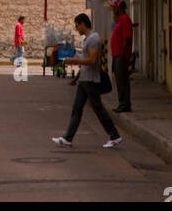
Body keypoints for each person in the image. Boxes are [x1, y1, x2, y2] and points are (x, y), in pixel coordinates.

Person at [51, 14, 122, 149]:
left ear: (83, 24)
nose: (77, 29)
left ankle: (114, 135)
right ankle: (68, 138)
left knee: (98, 108)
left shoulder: (94, 39)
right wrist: (76, 58)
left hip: (91, 80)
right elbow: (86, 57)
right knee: (77, 108)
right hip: (84, 80)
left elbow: (92, 60)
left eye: (77, 25)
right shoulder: (88, 39)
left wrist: (74, 60)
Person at [109, 0, 134, 113]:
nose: (113, 9)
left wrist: (122, 55)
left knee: (122, 80)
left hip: (121, 55)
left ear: (120, 8)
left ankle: (124, 104)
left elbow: (126, 38)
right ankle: (122, 103)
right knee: (119, 80)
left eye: (115, 7)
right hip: (116, 55)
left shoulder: (125, 20)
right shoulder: (119, 20)